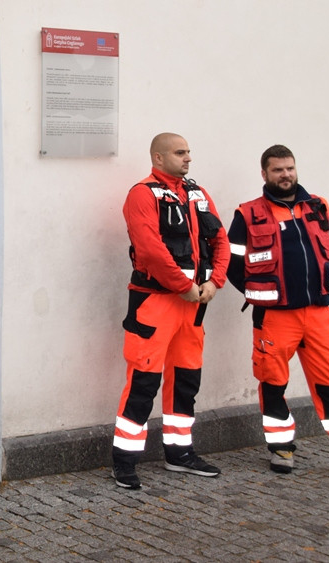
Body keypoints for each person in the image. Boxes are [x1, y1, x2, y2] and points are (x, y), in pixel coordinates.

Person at [227, 144, 329, 479]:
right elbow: (232, 263)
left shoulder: (319, 207)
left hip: (319, 312)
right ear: (264, 174)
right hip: (275, 316)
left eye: (289, 168)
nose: (285, 175)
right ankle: (281, 447)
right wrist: (260, 295)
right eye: (277, 170)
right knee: (273, 380)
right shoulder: (247, 214)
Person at [111, 132, 230, 490]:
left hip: (193, 305)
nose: (188, 158)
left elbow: (221, 240)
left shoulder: (197, 193)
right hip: (155, 303)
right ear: (159, 158)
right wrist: (186, 287)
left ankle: (180, 454)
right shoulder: (141, 194)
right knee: (143, 383)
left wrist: (215, 283)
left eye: (189, 152)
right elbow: (149, 249)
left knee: (185, 382)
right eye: (180, 153)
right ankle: (125, 461)